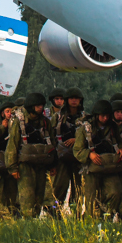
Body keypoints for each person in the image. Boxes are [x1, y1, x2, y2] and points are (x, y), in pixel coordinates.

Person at [76, 99, 122, 220]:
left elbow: (120, 143)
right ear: (97, 115)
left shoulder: (113, 128)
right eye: (102, 116)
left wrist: (121, 149)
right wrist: (89, 154)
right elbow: (77, 150)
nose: (105, 118)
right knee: (91, 198)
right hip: (91, 169)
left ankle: (107, 217)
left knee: (115, 192)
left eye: (107, 116)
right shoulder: (85, 129)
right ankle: (92, 221)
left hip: (110, 167)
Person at [6, 92, 56, 218]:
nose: (40, 108)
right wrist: (12, 167)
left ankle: (34, 223)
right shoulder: (20, 122)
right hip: (25, 166)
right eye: (37, 105)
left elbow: (52, 144)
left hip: (42, 164)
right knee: (27, 196)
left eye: (41, 105)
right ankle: (28, 223)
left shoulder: (45, 123)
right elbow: (12, 145)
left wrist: (53, 164)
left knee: (39, 196)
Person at [51, 87, 86, 215]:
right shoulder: (58, 117)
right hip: (62, 158)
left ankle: (76, 214)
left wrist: (76, 139)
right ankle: (55, 215)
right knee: (59, 188)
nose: (74, 101)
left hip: (79, 158)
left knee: (78, 189)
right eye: (71, 98)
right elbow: (51, 137)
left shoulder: (85, 117)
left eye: (76, 98)